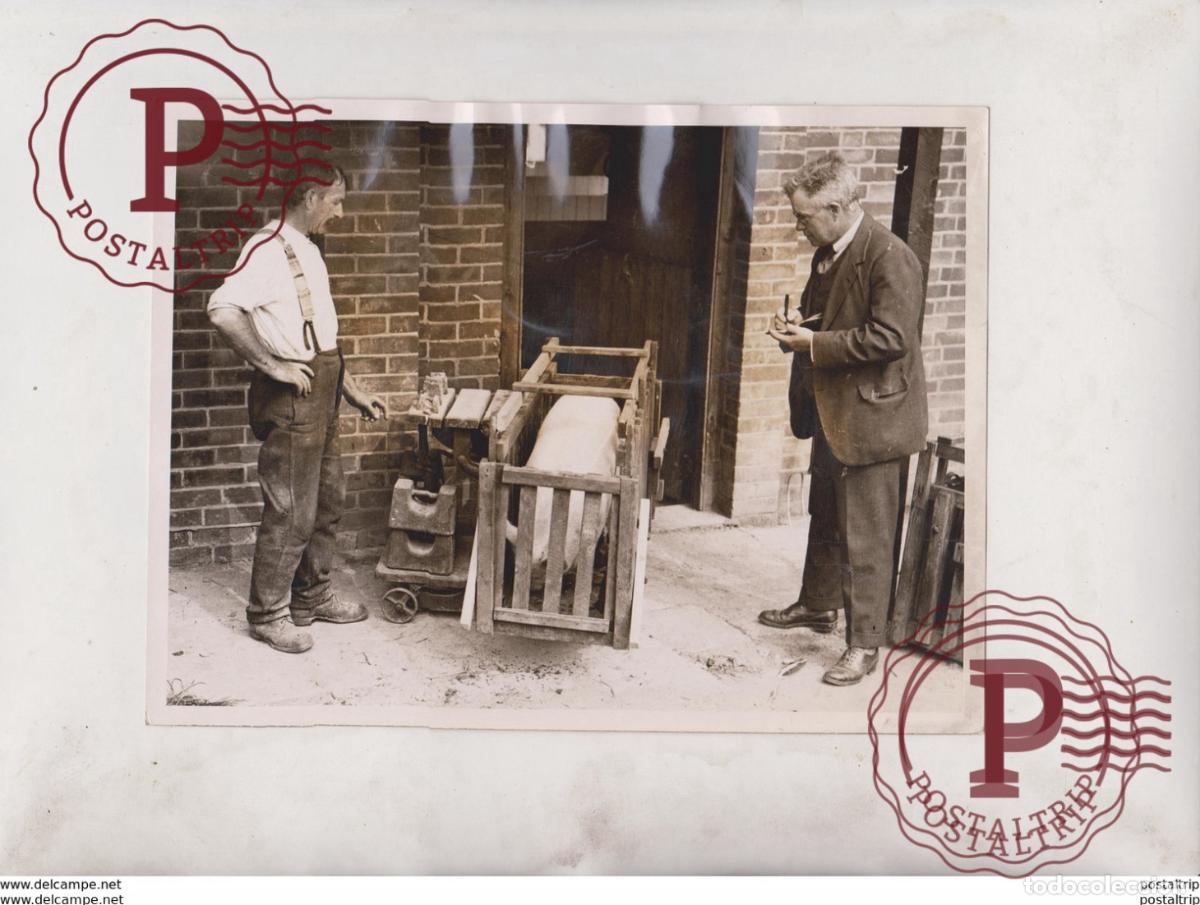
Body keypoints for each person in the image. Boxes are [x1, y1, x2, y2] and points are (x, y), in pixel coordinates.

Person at [761, 152, 928, 686]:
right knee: (828, 514)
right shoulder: (828, 252)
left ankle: (864, 644)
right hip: (836, 412)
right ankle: (817, 604)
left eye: (804, 217)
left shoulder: (889, 256)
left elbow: (893, 338)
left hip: (875, 421)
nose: (797, 225)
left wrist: (815, 343)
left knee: (868, 534)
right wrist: (799, 324)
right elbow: (828, 315)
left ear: (835, 207)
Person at [207, 163, 387, 654]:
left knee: (327, 501)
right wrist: (273, 366)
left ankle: (310, 598)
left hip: (324, 387)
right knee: (291, 509)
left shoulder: (306, 248)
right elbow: (222, 309)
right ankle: (268, 615)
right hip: (293, 398)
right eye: (336, 201)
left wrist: (350, 387)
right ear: (309, 197)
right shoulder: (265, 250)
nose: (340, 212)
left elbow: (317, 335)